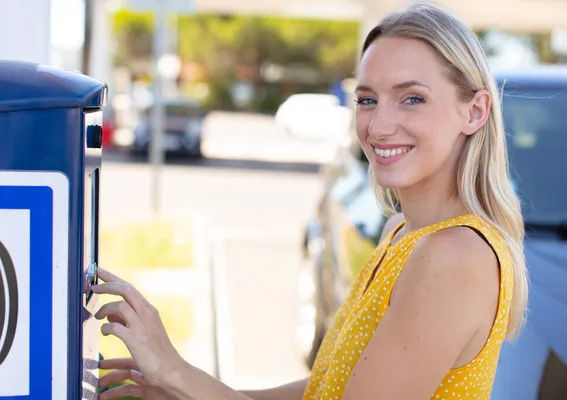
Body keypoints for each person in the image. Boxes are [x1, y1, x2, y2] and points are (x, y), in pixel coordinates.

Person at [93, 2, 528, 399]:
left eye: (412, 99)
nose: (378, 125)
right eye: (367, 99)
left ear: (474, 111)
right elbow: (327, 387)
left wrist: (174, 372)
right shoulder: (403, 232)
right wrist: (181, 387)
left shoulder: (456, 255)